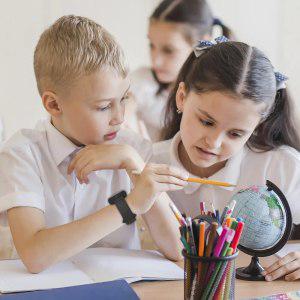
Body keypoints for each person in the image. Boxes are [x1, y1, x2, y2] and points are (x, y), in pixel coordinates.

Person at [0, 15, 188, 273]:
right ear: (54, 105)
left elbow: (179, 249)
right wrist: (129, 205)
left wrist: (134, 164)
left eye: (124, 98)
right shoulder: (21, 153)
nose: (120, 117)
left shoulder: (131, 148)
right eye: (103, 107)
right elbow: (34, 255)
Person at [151, 36, 300, 281]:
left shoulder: (283, 167)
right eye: (206, 121)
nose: (214, 142)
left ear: (257, 125)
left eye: (235, 133)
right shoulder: (149, 162)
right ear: (181, 97)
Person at [127, 0, 232, 142]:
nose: (155, 60)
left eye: (168, 50)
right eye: (152, 45)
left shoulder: (214, 95)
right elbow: (124, 108)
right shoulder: (142, 81)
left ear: (201, 43)